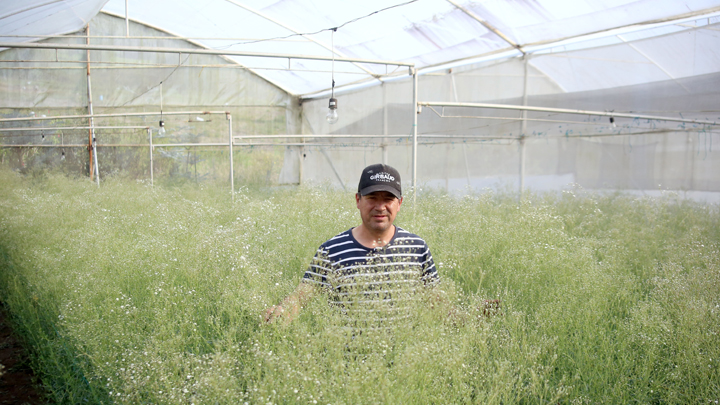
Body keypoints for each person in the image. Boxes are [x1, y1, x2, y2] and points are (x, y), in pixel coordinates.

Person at [264, 163, 439, 325]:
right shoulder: (332, 250)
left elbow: (437, 302)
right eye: (372, 198)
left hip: (403, 357)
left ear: (399, 203)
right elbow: (303, 294)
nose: (380, 207)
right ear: (358, 200)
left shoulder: (417, 248)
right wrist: (282, 311)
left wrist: (463, 322)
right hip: (348, 358)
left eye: (388, 199)